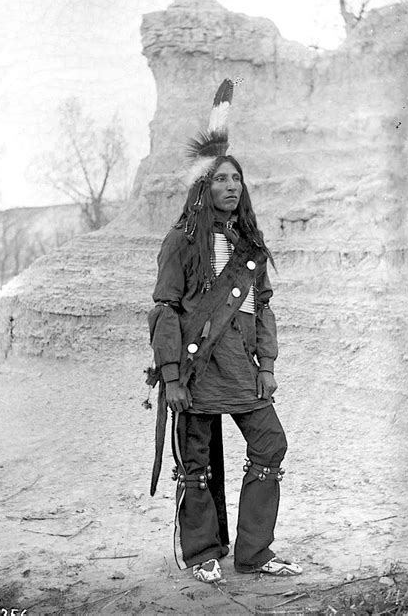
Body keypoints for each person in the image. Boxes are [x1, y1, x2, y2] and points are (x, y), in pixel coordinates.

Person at [147, 79, 301, 583]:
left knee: (269, 445)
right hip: (194, 370)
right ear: (202, 187)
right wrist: (171, 376)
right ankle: (202, 553)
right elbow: (165, 310)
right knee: (197, 460)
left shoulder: (249, 244)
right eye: (220, 180)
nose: (231, 186)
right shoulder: (180, 241)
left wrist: (269, 366)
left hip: (242, 370)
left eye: (236, 179)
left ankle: (254, 552)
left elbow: (264, 308)